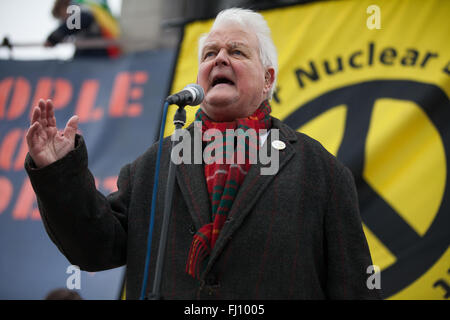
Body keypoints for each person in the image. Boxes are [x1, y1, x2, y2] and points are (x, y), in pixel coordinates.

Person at [25, 8, 381, 299]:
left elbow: (354, 288)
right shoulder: (152, 167)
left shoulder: (320, 170)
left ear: (268, 79)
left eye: (237, 52)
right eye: (210, 53)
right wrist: (58, 170)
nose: (220, 59)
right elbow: (95, 248)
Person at [45, 0, 121, 58]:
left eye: (62, 16)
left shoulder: (80, 10)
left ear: (65, 7)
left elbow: (82, 19)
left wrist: (54, 37)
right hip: (95, 54)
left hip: (98, 54)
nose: (63, 20)